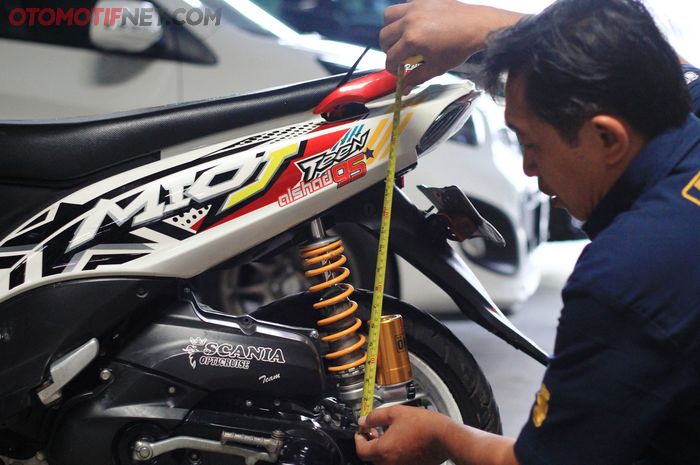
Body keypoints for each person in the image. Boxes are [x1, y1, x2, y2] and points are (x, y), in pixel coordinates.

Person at [355, 1, 700, 464]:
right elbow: (653, 55)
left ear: (607, 138)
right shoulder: (676, 100)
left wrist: (439, 437)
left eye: (532, 143)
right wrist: (481, 27)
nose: (528, 167)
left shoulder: (625, 277)